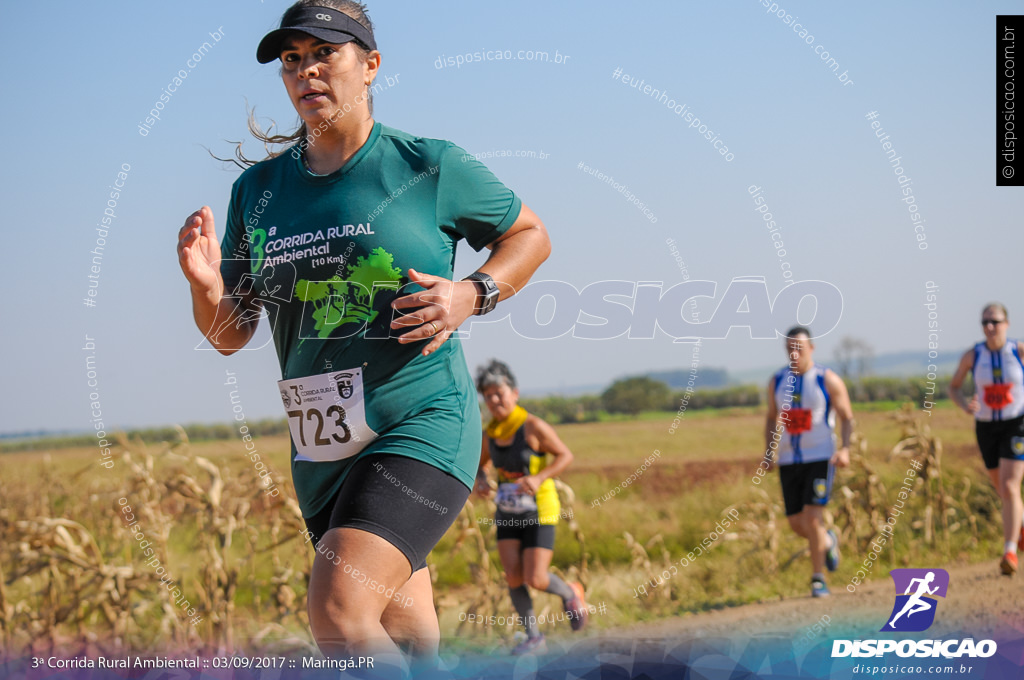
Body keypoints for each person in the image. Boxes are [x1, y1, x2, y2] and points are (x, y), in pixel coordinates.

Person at [175, 1, 551, 674]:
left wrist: (473, 293)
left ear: (371, 65)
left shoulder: (426, 165)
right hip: (322, 445)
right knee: (407, 636)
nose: (305, 71)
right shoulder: (257, 193)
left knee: (341, 612)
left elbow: (529, 235)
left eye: (325, 53)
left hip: (421, 419)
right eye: (292, 59)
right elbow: (232, 334)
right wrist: (205, 287)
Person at [474, 360, 587, 655]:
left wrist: (539, 477)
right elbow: (479, 466)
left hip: (540, 509)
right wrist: (481, 481)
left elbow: (565, 455)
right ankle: (533, 637)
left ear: (515, 392)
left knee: (535, 578)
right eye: (488, 396)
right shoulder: (490, 434)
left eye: (499, 393)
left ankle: (571, 592)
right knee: (513, 576)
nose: (494, 400)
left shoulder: (533, 426)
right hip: (508, 512)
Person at [764, 326, 852, 597]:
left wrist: (845, 449)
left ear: (811, 349)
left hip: (820, 457)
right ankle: (828, 540)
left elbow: (847, 417)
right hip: (789, 459)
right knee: (796, 523)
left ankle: (818, 579)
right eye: (789, 348)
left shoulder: (827, 379)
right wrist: (769, 451)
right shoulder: (777, 381)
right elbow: (771, 417)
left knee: (812, 520)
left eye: (799, 348)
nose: (794, 353)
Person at [949, 303, 1024, 576]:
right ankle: (1020, 529)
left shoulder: (1018, 351)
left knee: (1009, 485)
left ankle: (1009, 551)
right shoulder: (973, 355)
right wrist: (964, 404)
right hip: (986, 427)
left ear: (1007, 323)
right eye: (985, 323)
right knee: (1000, 488)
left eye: (994, 321)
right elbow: (954, 386)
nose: (989, 327)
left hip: (1017, 423)